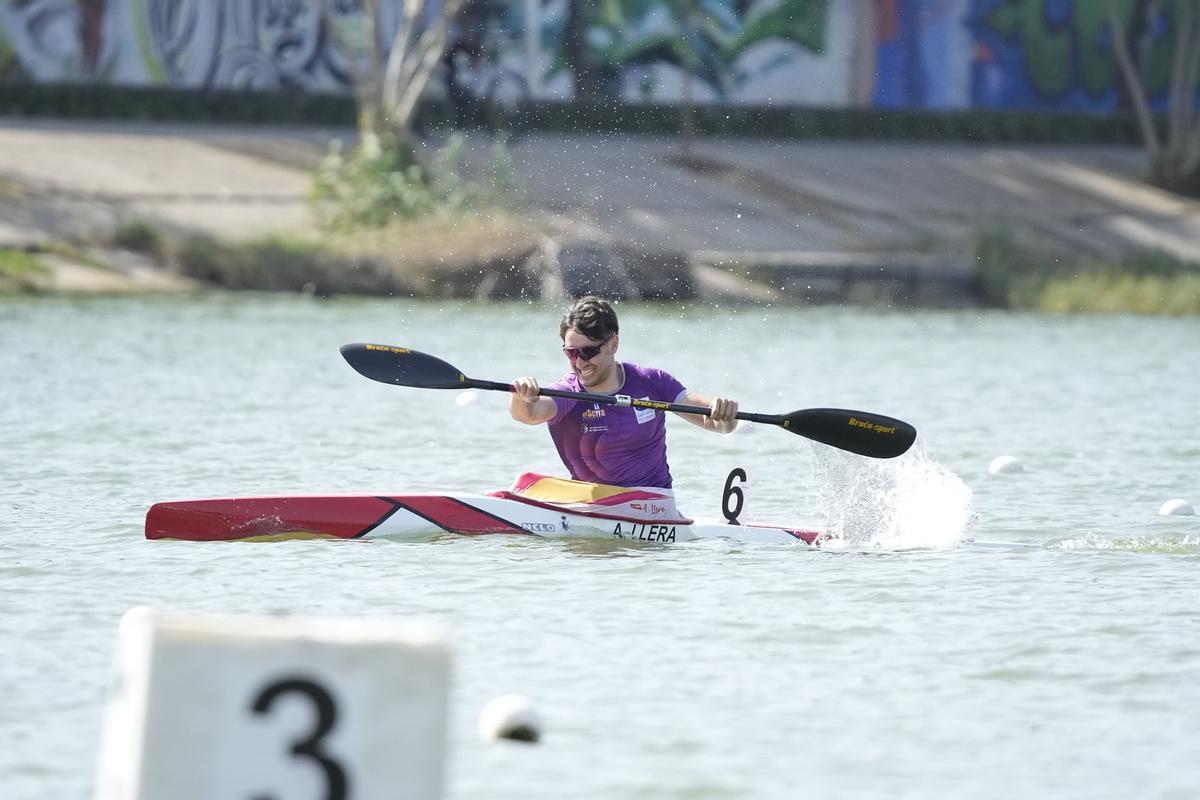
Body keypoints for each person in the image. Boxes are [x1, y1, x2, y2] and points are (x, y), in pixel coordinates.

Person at [508, 296, 738, 499]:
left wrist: (725, 413)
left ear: (613, 344)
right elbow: (529, 414)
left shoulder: (652, 382)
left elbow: (718, 424)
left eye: (588, 352)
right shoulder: (567, 391)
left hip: (654, 504)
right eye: (571, 353)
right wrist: (522, 396)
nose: (579, 362)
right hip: (594, 504)